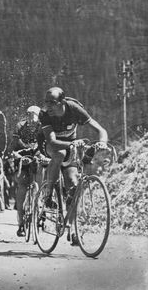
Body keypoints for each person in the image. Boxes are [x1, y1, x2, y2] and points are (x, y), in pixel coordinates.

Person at [40, 87, 108, 244]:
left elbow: (100, 130)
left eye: (52, 102)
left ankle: (71, 227)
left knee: (74, 185)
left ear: (62, 102)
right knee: (60, 153)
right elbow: (52, 142)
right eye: (46, 102)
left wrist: (102, 143)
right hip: (53, 146)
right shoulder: (45, 114)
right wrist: (71, 143)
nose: (48, 106)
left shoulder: (74, 109)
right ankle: (49, 193)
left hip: (72, 147)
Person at [10, 105, 45, 237]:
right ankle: (20, 224)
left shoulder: (42, 126)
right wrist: (18, 156)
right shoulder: (20, 126)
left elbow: (45, 143)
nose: (32, 119)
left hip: (37, 157)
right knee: (22, 190)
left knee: (40, 183)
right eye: (29, 115)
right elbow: (14, 145)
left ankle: (41, 206)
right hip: (22, 158)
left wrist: (43, 155)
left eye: (34, 116)